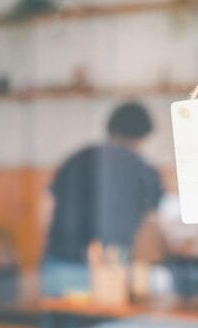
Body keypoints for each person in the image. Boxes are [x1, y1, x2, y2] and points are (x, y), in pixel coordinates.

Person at [41, 102, 164, 297]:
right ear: (142, 136)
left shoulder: (77, 157)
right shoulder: (144, 170)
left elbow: (48, 209)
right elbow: (150, 228)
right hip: (108, 273)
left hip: (59, 263)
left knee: (57, 324)